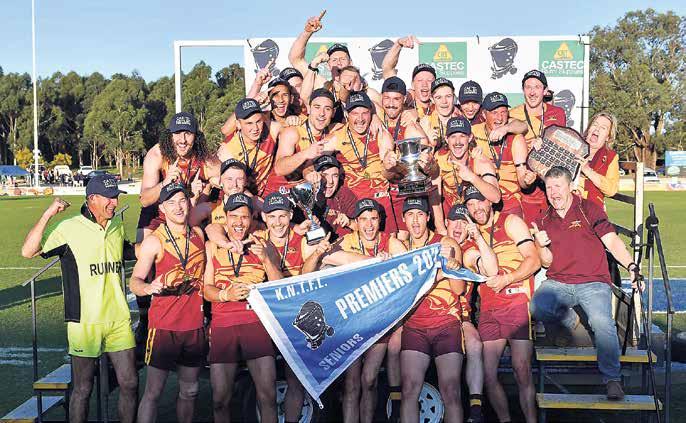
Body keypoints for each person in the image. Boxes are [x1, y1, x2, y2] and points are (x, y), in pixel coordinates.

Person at [21, 175, 137, 423]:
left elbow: (125, 251)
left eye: (116, 197)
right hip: (84, 322)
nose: (115, 203)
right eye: (110, 198)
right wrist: (48, 214)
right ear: (92, 199)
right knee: (83, 388)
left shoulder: (116, 223)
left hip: (118, 318)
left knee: (129, 383)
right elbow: (28, 251)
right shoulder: (68, 228)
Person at [529, 166, 642, 400]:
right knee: (537, 306)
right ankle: (572, 322)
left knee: (602, 322)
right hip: (559, 281)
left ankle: (612, 379)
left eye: (558, 186)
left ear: (571, 187)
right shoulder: (543, 219)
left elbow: (612, 241)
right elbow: (547, 262)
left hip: (593, 282)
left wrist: (631, 266)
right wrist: (540, 244)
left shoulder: (589, 209)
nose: (554, 193)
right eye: (549, 188)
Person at [317, 198, 406, 423]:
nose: (369, 225)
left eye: (373, 219)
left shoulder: (391, 242)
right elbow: (327, 257)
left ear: (380, 220)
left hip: (381, 322)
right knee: (352, 384)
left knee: (369, 380)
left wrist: (389, 265)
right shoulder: (347, 241)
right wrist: (372, 261)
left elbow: (407, 271)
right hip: (353, 322)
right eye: (363, 219)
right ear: (355, 222)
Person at [202, 193, 284, 422]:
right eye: (234, 216)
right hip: (223, 324)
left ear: (252, 218)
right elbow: (206, 289)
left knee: (268, 396)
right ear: (226, 218)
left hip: (255, 323)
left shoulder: (263, 244)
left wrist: (266, 259)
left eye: (244, 217)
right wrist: (225, 294)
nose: (239, 222)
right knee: (220, 400)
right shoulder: (212, 246)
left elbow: (279, 285)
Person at [130, 182, 207, 423]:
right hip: (164, 326)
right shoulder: (154, 241)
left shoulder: (198, 234)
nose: (178, 207)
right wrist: (148, 288)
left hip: (194, 325)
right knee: (153, 392)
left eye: (182, 200)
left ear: (189, 203)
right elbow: (135, 280)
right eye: (171, 203)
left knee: (190, 391)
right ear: (162, 208)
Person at [464, 184, 541, 423]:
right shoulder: (470, 238)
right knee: (488, 375)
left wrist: (508, 278)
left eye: (480, 201)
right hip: (490, 309)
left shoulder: (510, 222)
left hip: (517, 302)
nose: (476, 208)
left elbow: (534, 260)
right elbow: (485, 268)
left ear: (490, 201)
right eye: (470, 204)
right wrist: (478, 239)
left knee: (522, 369)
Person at [398, 197, 465, 423]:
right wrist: (440, 273)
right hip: (415, 325)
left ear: (428, 217)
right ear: (404, 219)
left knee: (451, 390)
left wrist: (453, 266)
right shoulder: (401, 247)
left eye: (420, 214)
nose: (415, 221)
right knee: (409, 389)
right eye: (410, 215)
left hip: (446, 323)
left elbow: (459, 289)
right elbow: (404, 290)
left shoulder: (446, 243)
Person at [445, 203, 499, 423]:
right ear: (446, 224)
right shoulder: (435, 244)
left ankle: (476, 409)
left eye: (464, 222)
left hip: (461, 317)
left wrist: (477, 239)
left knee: (475, 345)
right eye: (454, 222)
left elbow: (485, 267)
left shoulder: (469, 250)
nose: (458, 227)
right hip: (432, 317)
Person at [321, 91, 398, 233]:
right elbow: (312, 159)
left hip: (380, 199)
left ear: (371, 113)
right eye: (355, 113)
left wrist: (389, 166)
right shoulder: (337, 137)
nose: (360, 119)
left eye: (365, 113)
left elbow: (388, 171)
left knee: (390, 242)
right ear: (346, 114)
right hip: (353, 203)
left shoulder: (381, 134)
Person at [377, 76, 432, 236]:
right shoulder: (376, 117)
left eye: (396, 99)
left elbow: (427, 155)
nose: (391, 103)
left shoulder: (411, 122)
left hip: (410, 191)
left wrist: (426, 158)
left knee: (408, 236)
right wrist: (373, 117)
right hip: (385, 192)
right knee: (389, 239)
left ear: (404, 99)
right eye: (387, 98)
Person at [509, 70, 567, 221]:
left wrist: (545, 146)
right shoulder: (512, 114)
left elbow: (563, 147)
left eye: (537, 87)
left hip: (552, 183)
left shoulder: (558, 113)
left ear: (545, 91)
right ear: (523, 90)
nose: (532, 92)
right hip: (526, 186)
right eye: (528, 87)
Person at [472, 93, 531, 217]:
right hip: (482, 199)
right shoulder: (474, 132)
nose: (499, 118)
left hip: (509, 200)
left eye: (503, 112)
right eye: (494, 112)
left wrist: (527, 180)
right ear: (484, 114)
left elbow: (522, 180)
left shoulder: (516, 138)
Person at [434, 116, 500, 225]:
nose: (457, 142)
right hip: (451, 218)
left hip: (476, 215)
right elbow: (435, 198)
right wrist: (441, 227)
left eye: (462, 136)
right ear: (446, 139)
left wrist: (472, 177)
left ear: (470, 138)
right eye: (453, 136)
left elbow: (496, 198)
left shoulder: (480, 161)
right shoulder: (439, 159)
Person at [217, 98, 282, 196]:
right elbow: (232, 187)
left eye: (258, 121)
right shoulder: (228, 150)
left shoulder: (271, 129)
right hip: (238, 195)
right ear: (238, 124)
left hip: (265, 192)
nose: (255, 128)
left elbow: (290, 130)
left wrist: (292, 119)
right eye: (249, 123)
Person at [273, 88, 337, 185]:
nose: (322, 113)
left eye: (327, 109)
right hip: (281, 188)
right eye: (317, 107)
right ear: (309, 109)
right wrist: (305, 154)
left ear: (333, 112)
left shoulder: (335, 130)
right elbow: (279, 169)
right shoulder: (293, 132)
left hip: (308, 187)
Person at [381, 36, 436, 119]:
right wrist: (398, 44)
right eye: (420, 80)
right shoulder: (406, 100)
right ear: (412, 84)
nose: (424, 84)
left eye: (429, 80)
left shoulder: (442, 104)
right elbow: (387, 68)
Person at [575, 112, 620, 208]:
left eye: (603, 128)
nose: (597, 129)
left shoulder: (611, 157)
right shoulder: (573, 144)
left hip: (593, 209)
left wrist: (587, 170)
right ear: (588, 129)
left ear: (608, 137)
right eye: (595, 124)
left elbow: (612, 190)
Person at [189, 158, 250, 227]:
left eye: (239, 179)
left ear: (246, 182)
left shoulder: (254, 204)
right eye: (229, 179)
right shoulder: (210, 208)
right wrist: (194, 197)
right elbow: (187, 225)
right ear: (220, 182)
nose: (234, 184)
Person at [311, 154, 357, 240]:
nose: (330, 181)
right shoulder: (305, 194)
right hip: (312, 244)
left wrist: (350, 223)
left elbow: (365, 227)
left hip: (342, 244)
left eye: (335, 176)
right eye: (324, 175)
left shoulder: (345, 194)